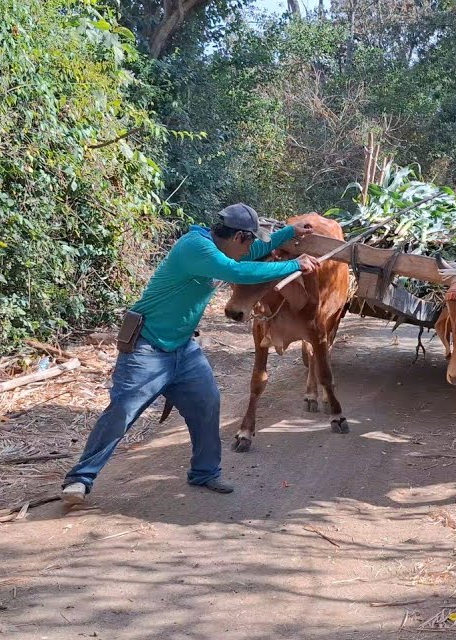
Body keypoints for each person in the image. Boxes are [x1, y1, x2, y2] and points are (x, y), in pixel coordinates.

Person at [61, 203, 320, 505]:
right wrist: (294, 264)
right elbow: (237, 270)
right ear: (239, 237)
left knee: (207, 404)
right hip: (147, 347)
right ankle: (80, 478)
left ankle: (204, 472)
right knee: (122, 412)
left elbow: (251, 255)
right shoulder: (196, 248)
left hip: (183, 349)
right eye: (249, 242)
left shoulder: (219, 247)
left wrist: (290, 232)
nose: (251, 248)